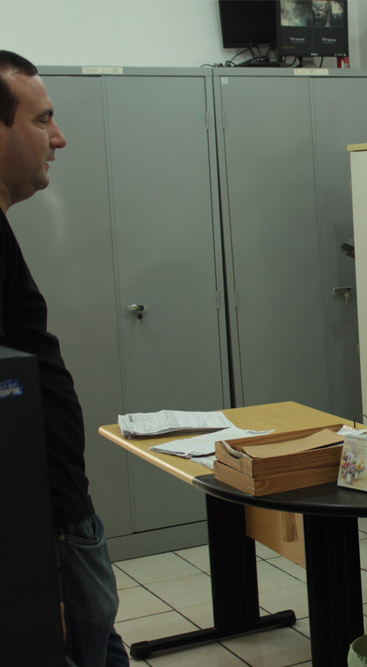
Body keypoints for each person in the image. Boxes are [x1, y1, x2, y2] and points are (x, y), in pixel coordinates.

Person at [0, 50, 128, 666]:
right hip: (41, 532)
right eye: (41, 120)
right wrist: (25, 568)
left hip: (57, 518)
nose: (60, 138)